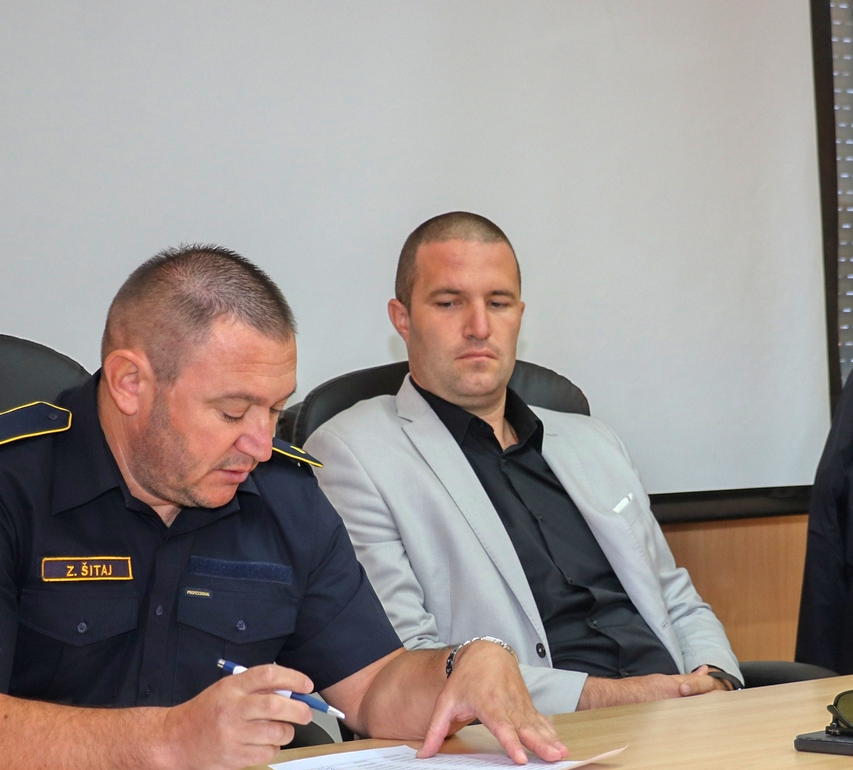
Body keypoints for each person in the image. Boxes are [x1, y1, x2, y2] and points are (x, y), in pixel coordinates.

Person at [0, 245, 565, 770]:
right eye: (232, 410)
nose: (261, 443)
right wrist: (174, 739)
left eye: (276, 409)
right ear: (130, 382)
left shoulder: (284, 496)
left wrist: (466, 663)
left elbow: (372, 686)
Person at [304, 212, 742, 715]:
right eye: (449, 303)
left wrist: (715, 680)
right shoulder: (351, 453)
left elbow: (677, 599)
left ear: (519, 313)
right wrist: (631, 698)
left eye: (498, 303)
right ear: (402, 318)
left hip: (683, 717)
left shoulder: (595, 441)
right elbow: (407, 662)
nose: (479, 327)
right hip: (537, 734)